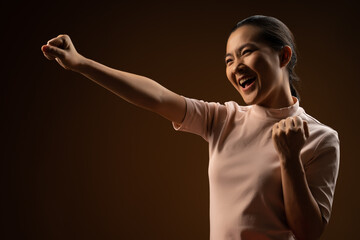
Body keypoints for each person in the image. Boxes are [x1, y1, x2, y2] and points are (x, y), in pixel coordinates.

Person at [41, 15, 340, 240]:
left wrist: (289, 159)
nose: (236, 67)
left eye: (247, 52)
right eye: (228, 59)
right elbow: (158, 98)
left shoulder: (321, 138)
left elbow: (308, 232)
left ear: (283, 56)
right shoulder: (223, 119)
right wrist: (81, 64)